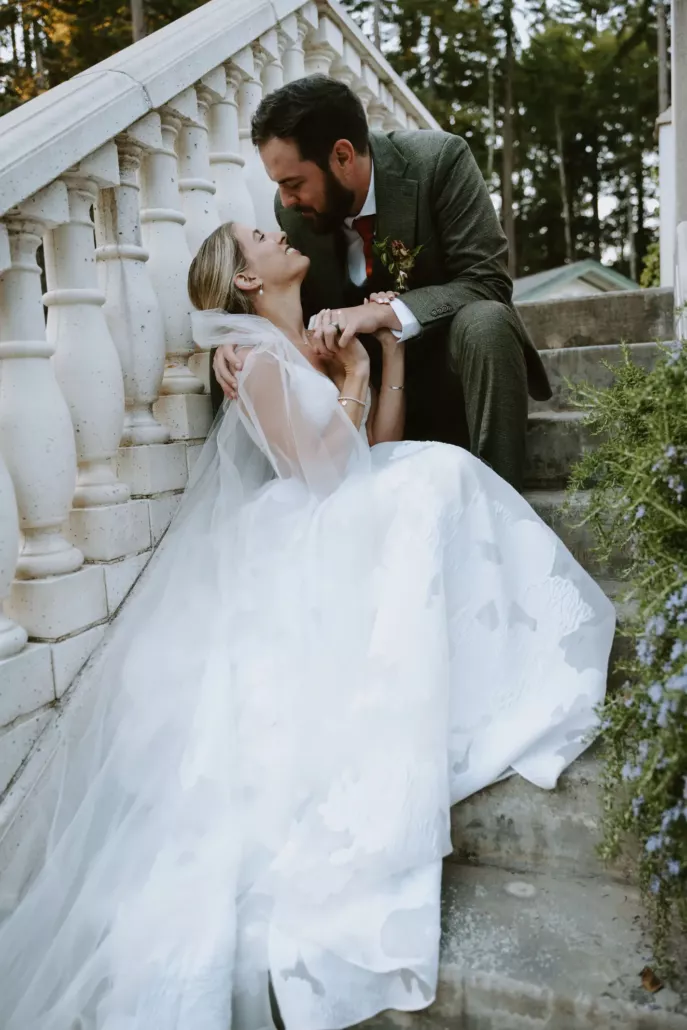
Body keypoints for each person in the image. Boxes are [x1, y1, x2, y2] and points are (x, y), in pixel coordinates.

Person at [0, 222, 614, 1030]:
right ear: (247, 280)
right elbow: (328, 474)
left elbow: (374, 448)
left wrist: (380, 359)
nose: (277, 232)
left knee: (436, 471)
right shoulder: (251, 361)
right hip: (312, 520)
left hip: (345, 503)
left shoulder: (307, 341)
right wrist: (349, 378)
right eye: (259, 235)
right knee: (436, 479)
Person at [212, 75, 552, 492]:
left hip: (451, 374)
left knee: (488, 321)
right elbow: (287, 311)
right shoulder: (295, 213)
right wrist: (237, 336)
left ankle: (503, 501)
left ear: (342, 156)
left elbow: (488, 281)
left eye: (293, 184)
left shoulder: (439, 162)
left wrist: (383, 313)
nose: (285, 202)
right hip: (367, 405)